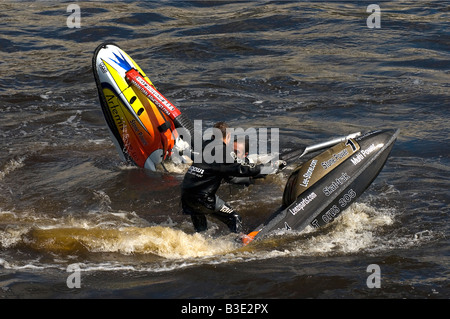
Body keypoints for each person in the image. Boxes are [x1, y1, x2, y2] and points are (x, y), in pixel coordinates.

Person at [181, 122, 283, 233]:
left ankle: (198, 247)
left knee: (201, 230)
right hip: (203, 197)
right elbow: (242, 169)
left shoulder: (204, 145)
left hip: (186, 194)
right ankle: (239, 245)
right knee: (234, 218)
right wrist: (270, 168)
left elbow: (228, 175)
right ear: (228, 136)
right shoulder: (223, 151)